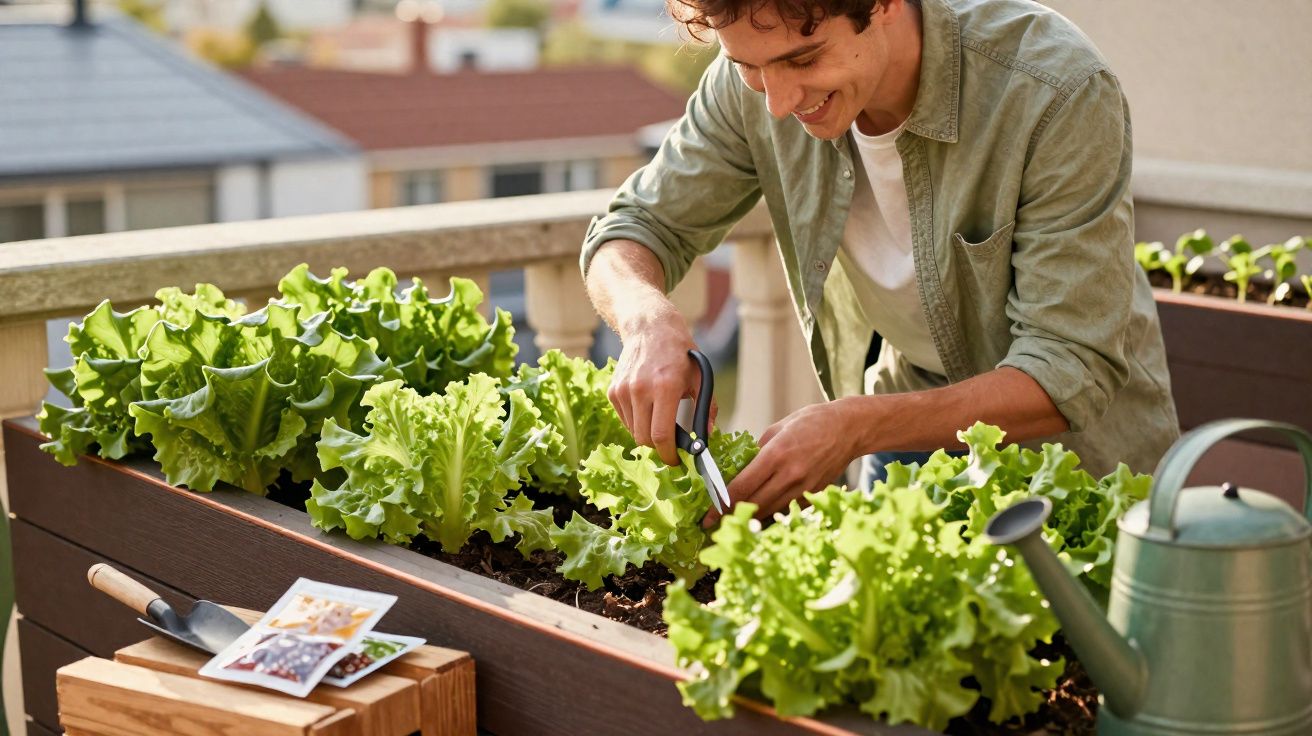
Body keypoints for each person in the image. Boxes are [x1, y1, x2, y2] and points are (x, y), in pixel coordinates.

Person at [581, 0, 1179, 526]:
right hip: (904, 424)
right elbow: (634, 228)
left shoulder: (1055, 87)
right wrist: (646, 322)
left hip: (1069, 462)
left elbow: (1067, 368)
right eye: (749, 66)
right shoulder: (752, 85)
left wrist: (853, 427)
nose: (780, 102)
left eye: (805, 59)